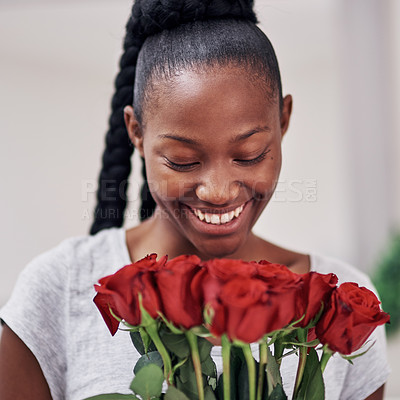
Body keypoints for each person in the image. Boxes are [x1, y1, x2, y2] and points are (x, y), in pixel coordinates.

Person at [0, 0, 390, 399]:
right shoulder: (59, 287)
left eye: (250, 154)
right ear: (136, 132)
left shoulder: (341, 302)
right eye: (183, 161)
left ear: (283, 120)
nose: (218, 191)